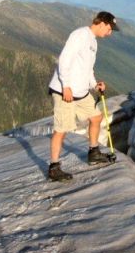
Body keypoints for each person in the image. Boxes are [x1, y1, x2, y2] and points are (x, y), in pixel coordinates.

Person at [47, 11, 119, 182]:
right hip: (66, 92)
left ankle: (93, 153)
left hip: (81, 92)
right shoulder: (79, 35)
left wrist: (95, 85)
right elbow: (64, 59)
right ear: (101, 23)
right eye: (109, 29)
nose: (109, 33)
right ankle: (54, 168)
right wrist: (66, 86)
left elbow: (88, 69)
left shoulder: (93, 41)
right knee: (62, 129)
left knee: (96, 117)